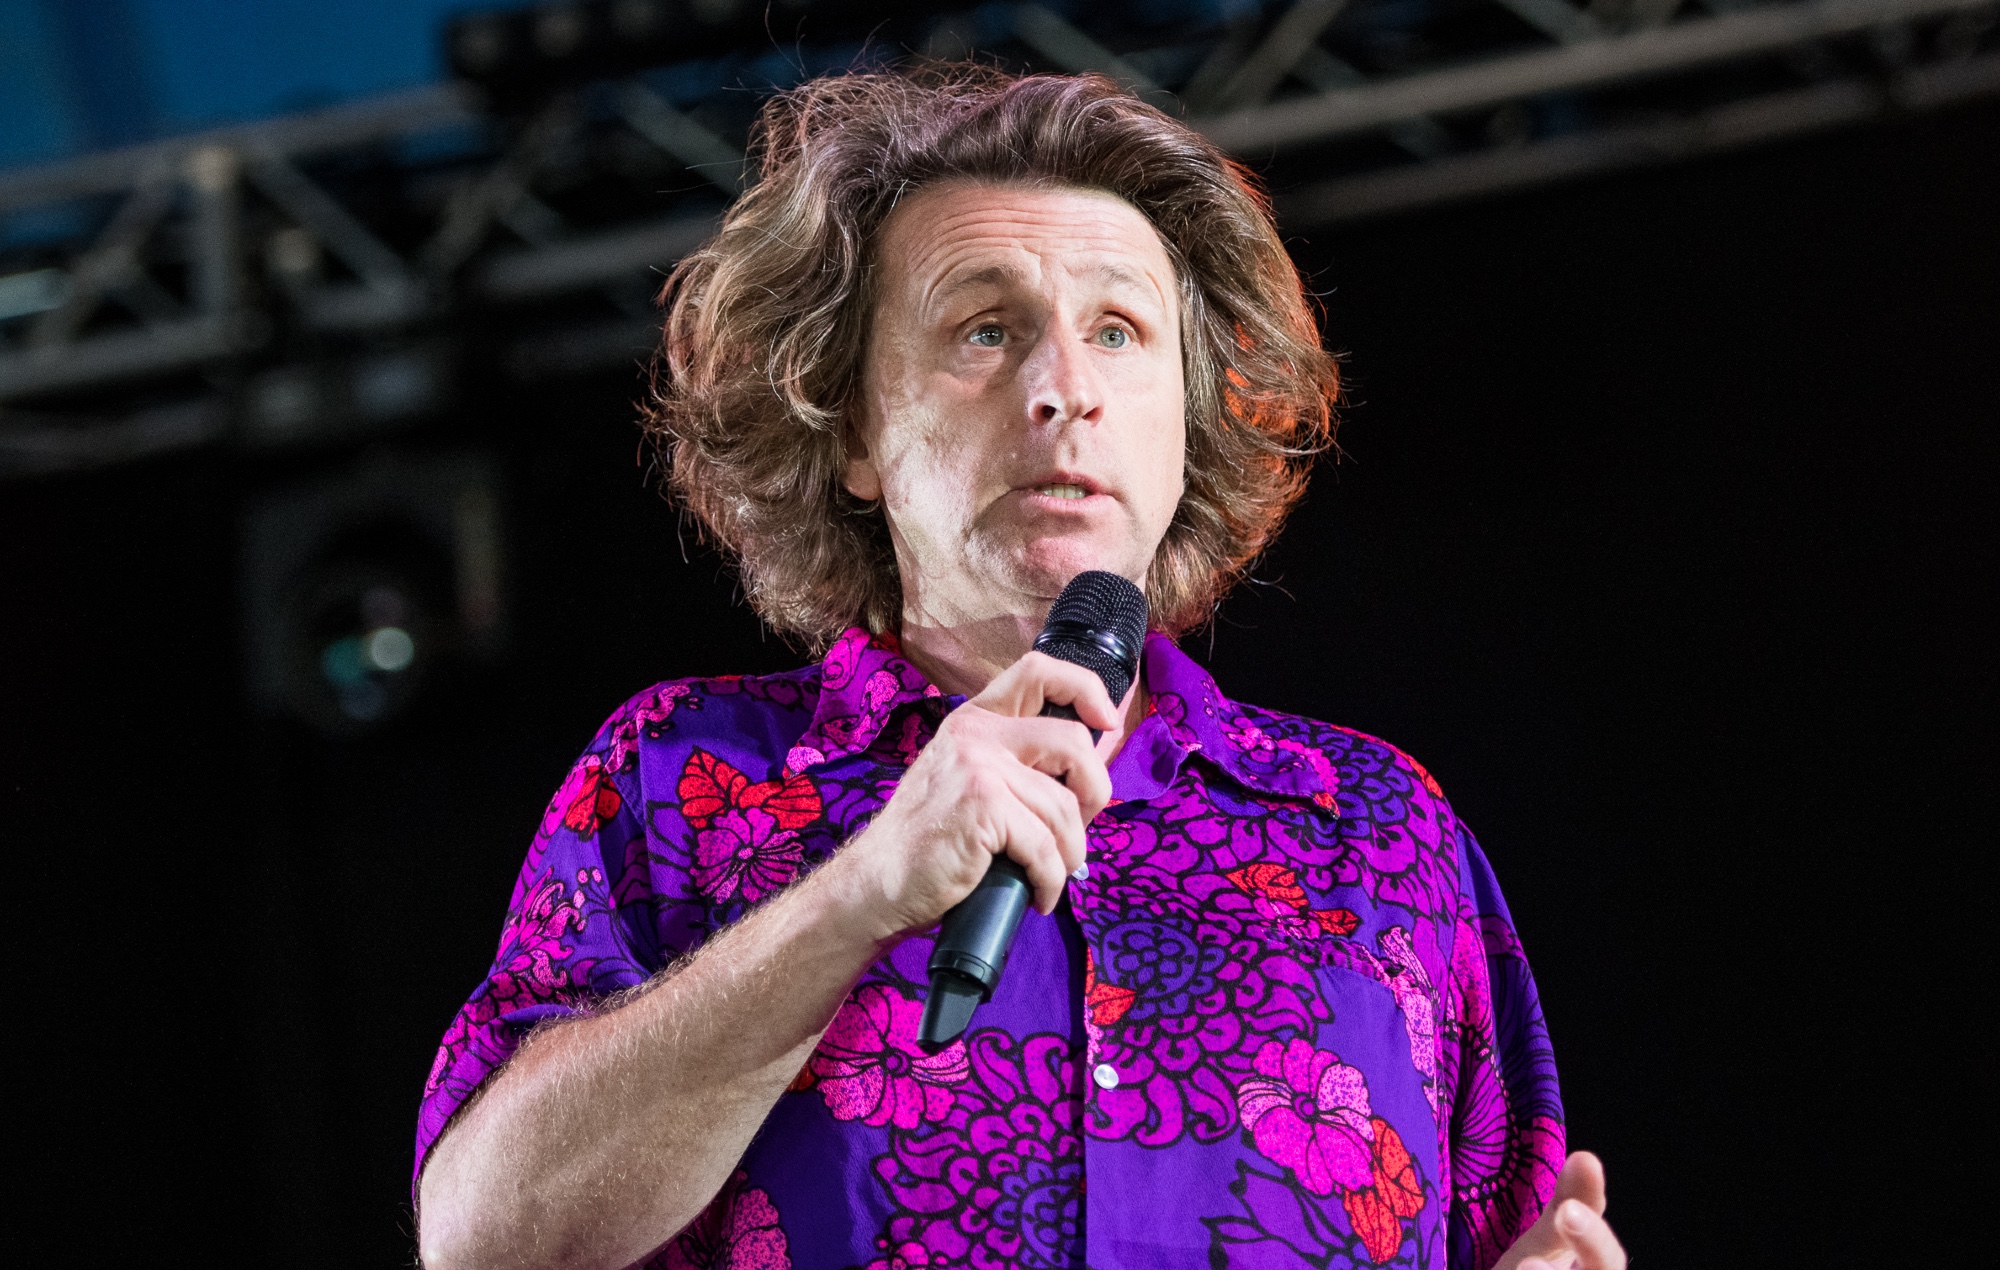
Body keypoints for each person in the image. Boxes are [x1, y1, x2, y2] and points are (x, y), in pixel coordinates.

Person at [415, 67, 1626, 1270]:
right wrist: (864, 888)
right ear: (852, 438)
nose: (1062, 390)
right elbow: (482, 1241)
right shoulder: (683, 780)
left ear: (1182, 423)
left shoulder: (1376, 832)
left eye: (1117, 331)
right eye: (984, 330)